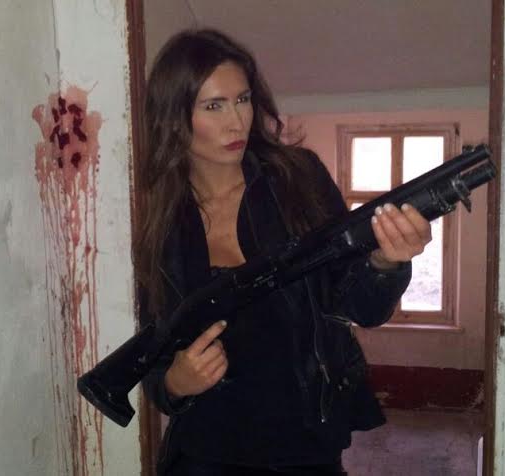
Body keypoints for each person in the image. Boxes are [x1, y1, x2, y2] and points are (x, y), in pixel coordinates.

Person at [135, 29, 432, 476]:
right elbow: (152, 353)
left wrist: (386, 262)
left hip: (305, 447)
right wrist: (174, 384)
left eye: (242, 99)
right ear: (174, 118)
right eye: (214, 106)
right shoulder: (160, 218)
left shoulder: (297, 180)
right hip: (204, 452)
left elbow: (361, 307)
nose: (237, 121)